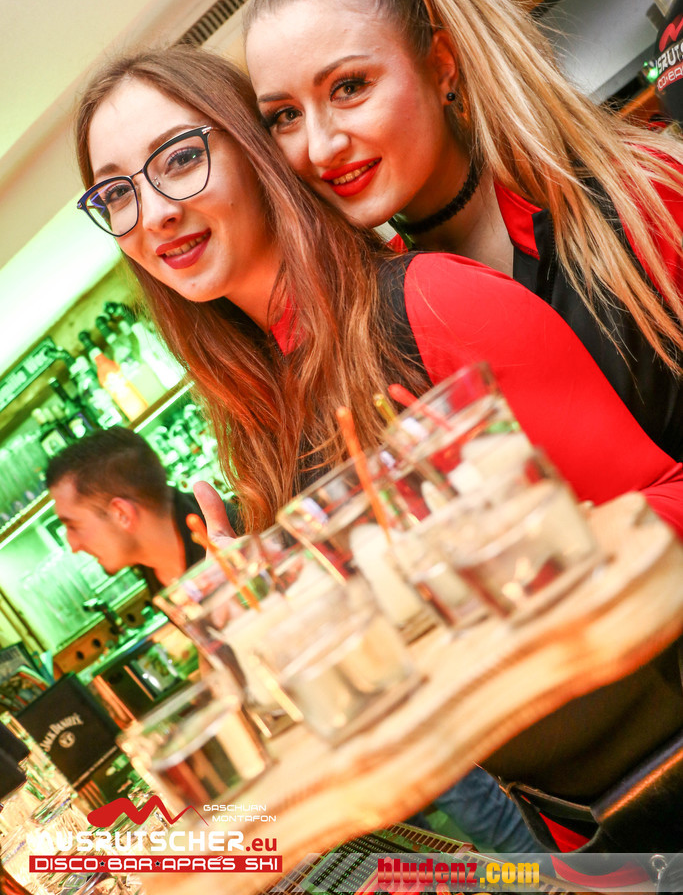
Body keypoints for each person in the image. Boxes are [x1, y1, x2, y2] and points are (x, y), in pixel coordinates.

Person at [72, 46, 683, 857]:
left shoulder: (430, 303)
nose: (153, 213)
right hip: (582, 828)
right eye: (116, 193)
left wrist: (508, 531)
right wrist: (276, 629)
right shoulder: (266, 424)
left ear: (256, 152)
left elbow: (668, 497)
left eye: (180, 159)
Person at [243, 0, 683, 463]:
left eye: (349, 86)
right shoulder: (382, 326)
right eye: (285, 116)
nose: (321, 147)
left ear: (441, 65)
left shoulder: (641, 197)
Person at [46, 427, 238, 596]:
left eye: (73, 525)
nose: (73, 545)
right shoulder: (152, 566)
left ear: (122, 514)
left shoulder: (233, 545)